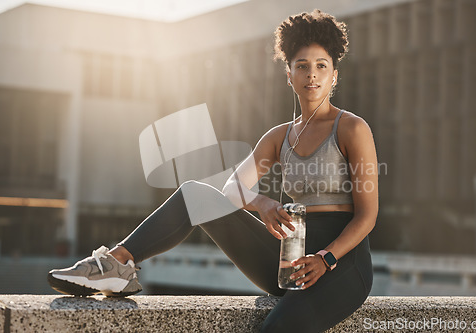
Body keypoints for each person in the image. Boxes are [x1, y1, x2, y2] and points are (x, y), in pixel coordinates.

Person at [48, 9, 378, 332]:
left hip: (342, 264)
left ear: (334, 75)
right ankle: (117, 264)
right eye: (302, 66)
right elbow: (233, 189)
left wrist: (327, 258)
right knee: (195, 195)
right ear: (289, 74)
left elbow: (366, 216)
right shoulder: (279, 137)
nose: (312, 75)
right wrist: (261, 203)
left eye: (322, 66)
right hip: (289, 259)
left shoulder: (351, 129)